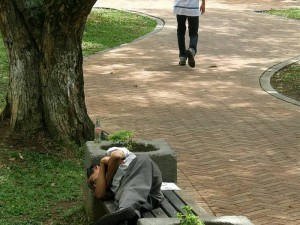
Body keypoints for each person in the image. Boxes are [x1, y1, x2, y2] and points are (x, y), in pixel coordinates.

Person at [87, 147, 164, 225]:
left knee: (129, 192)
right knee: (130, 204)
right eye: (93, 186)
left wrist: (103, 162)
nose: (94, 185)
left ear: (96, 167)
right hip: (151, 196)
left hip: (142, 167)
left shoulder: (110, 153)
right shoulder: (109, 188)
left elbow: (117, 156)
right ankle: (129, 216)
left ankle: (124, 211)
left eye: (92, 181)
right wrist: (104, 172)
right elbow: (99, 194)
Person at [173, 0, 206, 67]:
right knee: (193, 33)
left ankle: (182, 57)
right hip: (193, 7)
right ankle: (192, 49)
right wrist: (203, 4)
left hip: (180, 7)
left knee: (180, 32)